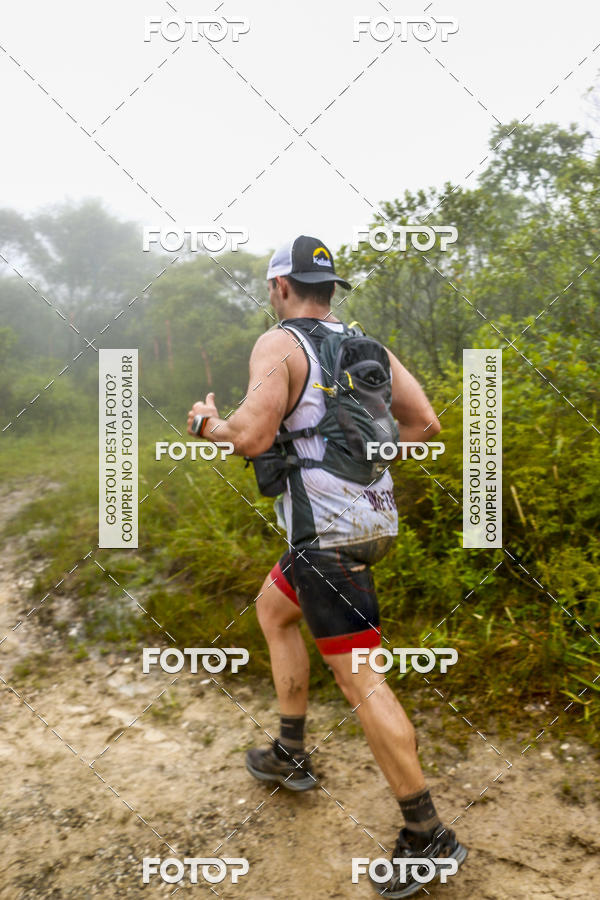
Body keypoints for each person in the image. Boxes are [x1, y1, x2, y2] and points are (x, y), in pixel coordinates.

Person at [187, 235, 467, 897]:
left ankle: (427, 833)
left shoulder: (279, 344)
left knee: (360, 678)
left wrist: (205, 424)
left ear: (280, 287)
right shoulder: (368, 347)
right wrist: (357, 462)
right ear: (330, 289)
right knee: (273, 608)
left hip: (328, 541)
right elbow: (425, 423)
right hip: (371, 523)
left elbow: (251, 436)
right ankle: (290, 752)